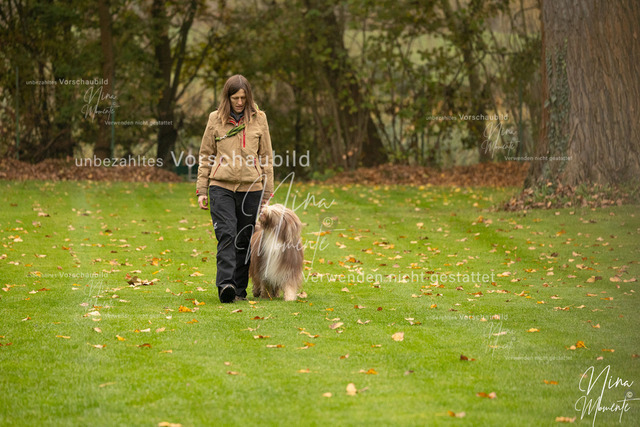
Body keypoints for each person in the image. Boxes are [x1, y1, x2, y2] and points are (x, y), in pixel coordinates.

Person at [196, 75, 274, 303]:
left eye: (243, 98)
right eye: (235, 98)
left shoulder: (260, 119)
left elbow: (266, 157)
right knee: (227, 234)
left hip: (251, 188)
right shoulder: (215, 119)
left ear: (248, 97)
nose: (239, 102)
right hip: (220, 186)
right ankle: (226, 286)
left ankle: (239, 289)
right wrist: (202, 189)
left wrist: (267, 193)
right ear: (227, 98)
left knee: (244, 238)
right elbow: (206, 155)